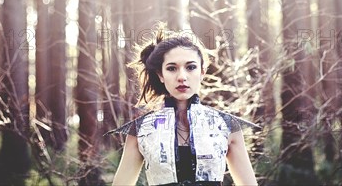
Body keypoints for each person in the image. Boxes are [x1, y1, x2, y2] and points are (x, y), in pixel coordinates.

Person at [106, 24, 259, 186]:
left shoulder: (227, 126)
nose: (182, 77)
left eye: (191, 67)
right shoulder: (142, 129)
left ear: (202, 72)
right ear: (161, 75)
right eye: (172, 68)